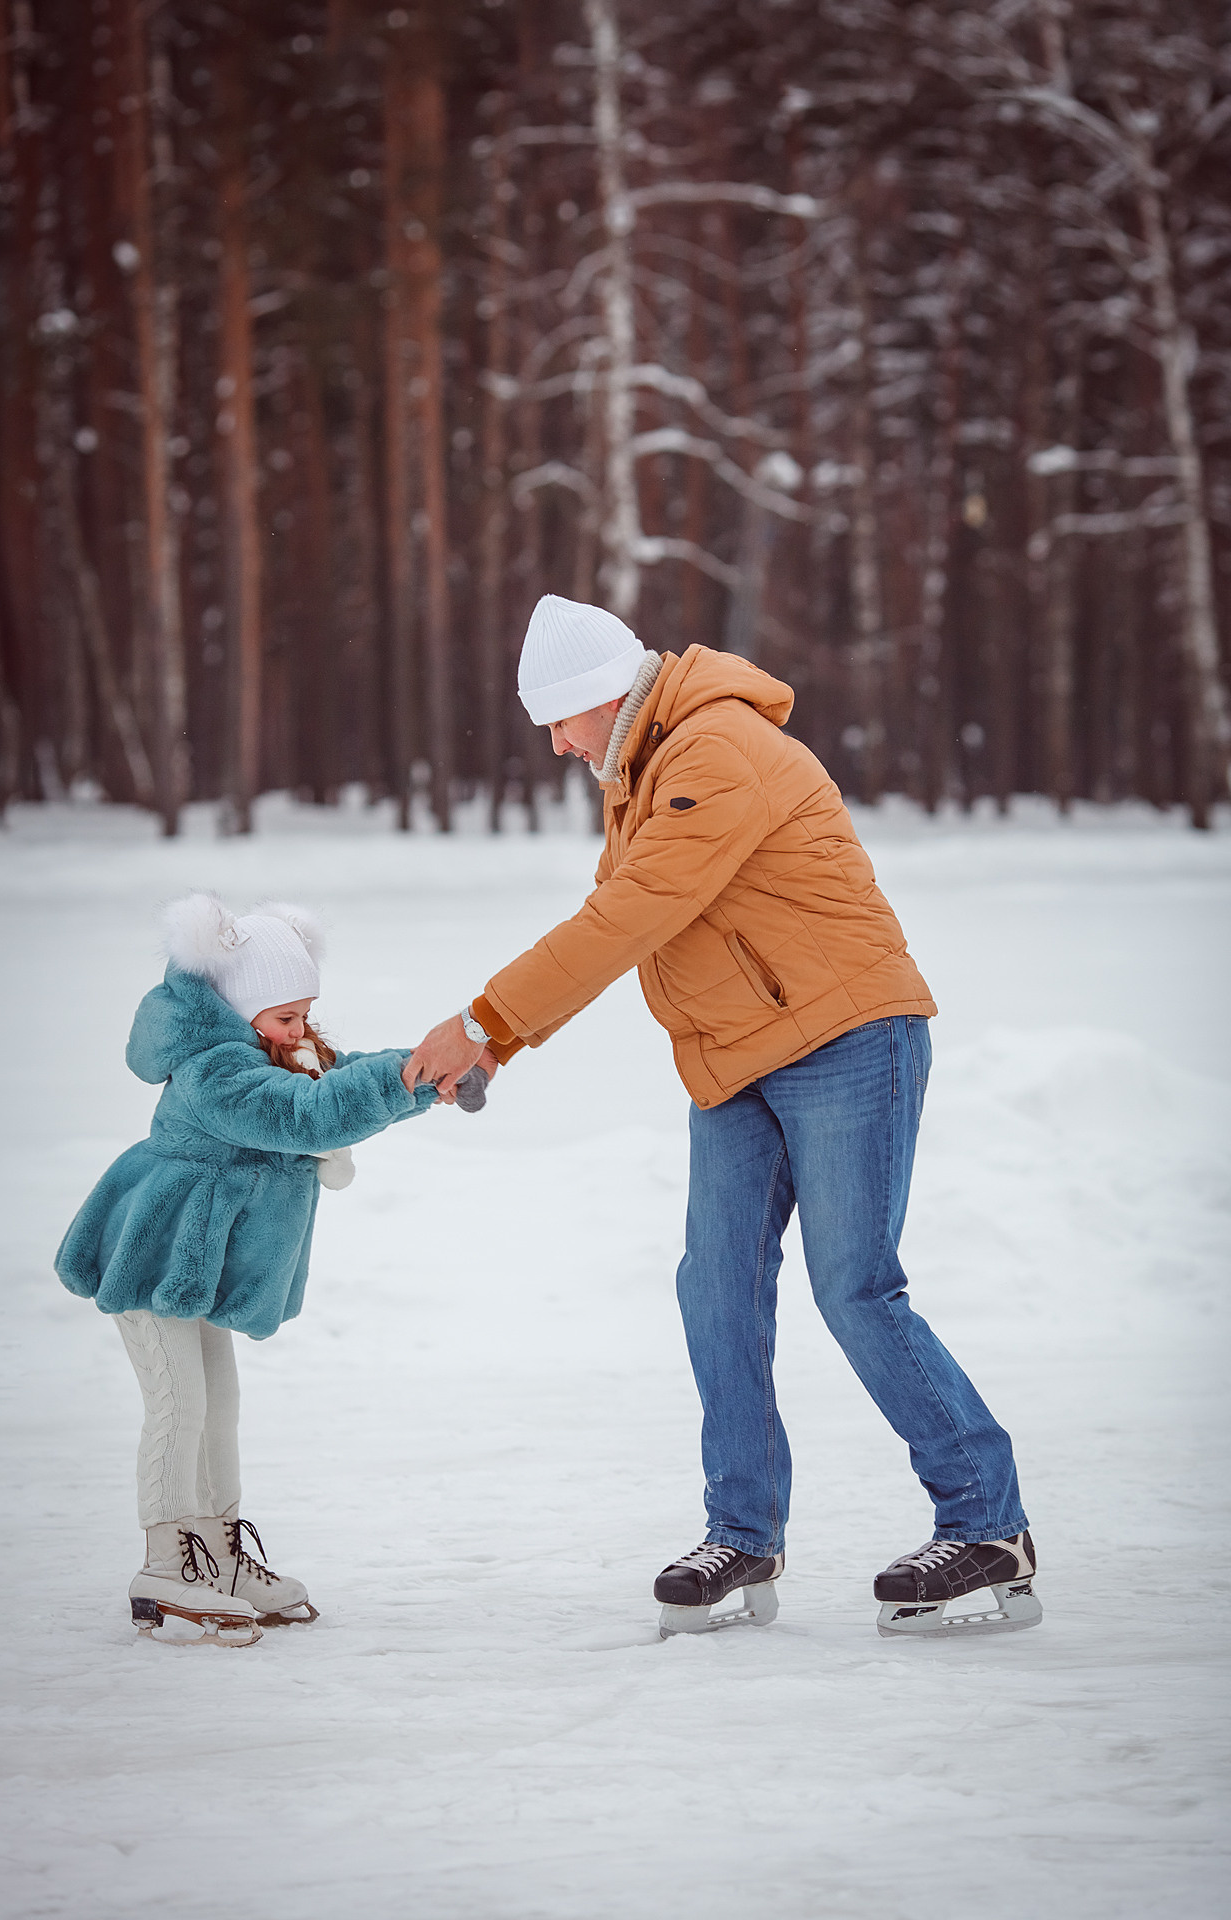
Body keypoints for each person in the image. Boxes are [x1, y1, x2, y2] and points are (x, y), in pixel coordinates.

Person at [405, 595, 1040, 1640]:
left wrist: (483, 1019)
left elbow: (630, 912)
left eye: (557, 722)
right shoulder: (639, 768)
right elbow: (625, 926)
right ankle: (741, 1533)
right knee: (716, 1287)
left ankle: (987, 1524)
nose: (556, 746)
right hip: (734, 1064)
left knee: (854, 1285)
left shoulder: (716, 747)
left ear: (600, 699)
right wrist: (497, 1043)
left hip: (843, 1036)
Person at [56, 893, 488, 1645]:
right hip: (153, 1255)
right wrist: (408, 1083)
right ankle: (166, 1564)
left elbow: (339, 1078)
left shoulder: (279, 1052)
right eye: (284, 1017)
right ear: (237, 1006)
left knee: (216, 1411)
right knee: (178, 1406)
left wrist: (428, 1070)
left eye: (303, 1015)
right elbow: (305, 1116)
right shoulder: (215, 1071)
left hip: (198, 1270)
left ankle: (218, 1554)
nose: (299, 1031)